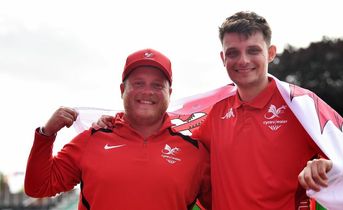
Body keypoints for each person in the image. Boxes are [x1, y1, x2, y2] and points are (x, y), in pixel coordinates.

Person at [95, 12, 343, 210]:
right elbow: (167, 135)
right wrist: (118, 122)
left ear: (270, 53)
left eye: (253, 50)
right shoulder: (214, 114)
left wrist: (326, 167)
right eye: (233, 53)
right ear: (222, 58)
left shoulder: (303, 106)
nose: (243, 60)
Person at [24, 48, 211, 210]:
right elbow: (39, 187)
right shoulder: (91, 140)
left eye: (157, 85)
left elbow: (226, 201)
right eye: (138, 83)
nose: (147, 91)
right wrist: (46, 134)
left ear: (169, 93)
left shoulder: (195, 153)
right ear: (122, 89)